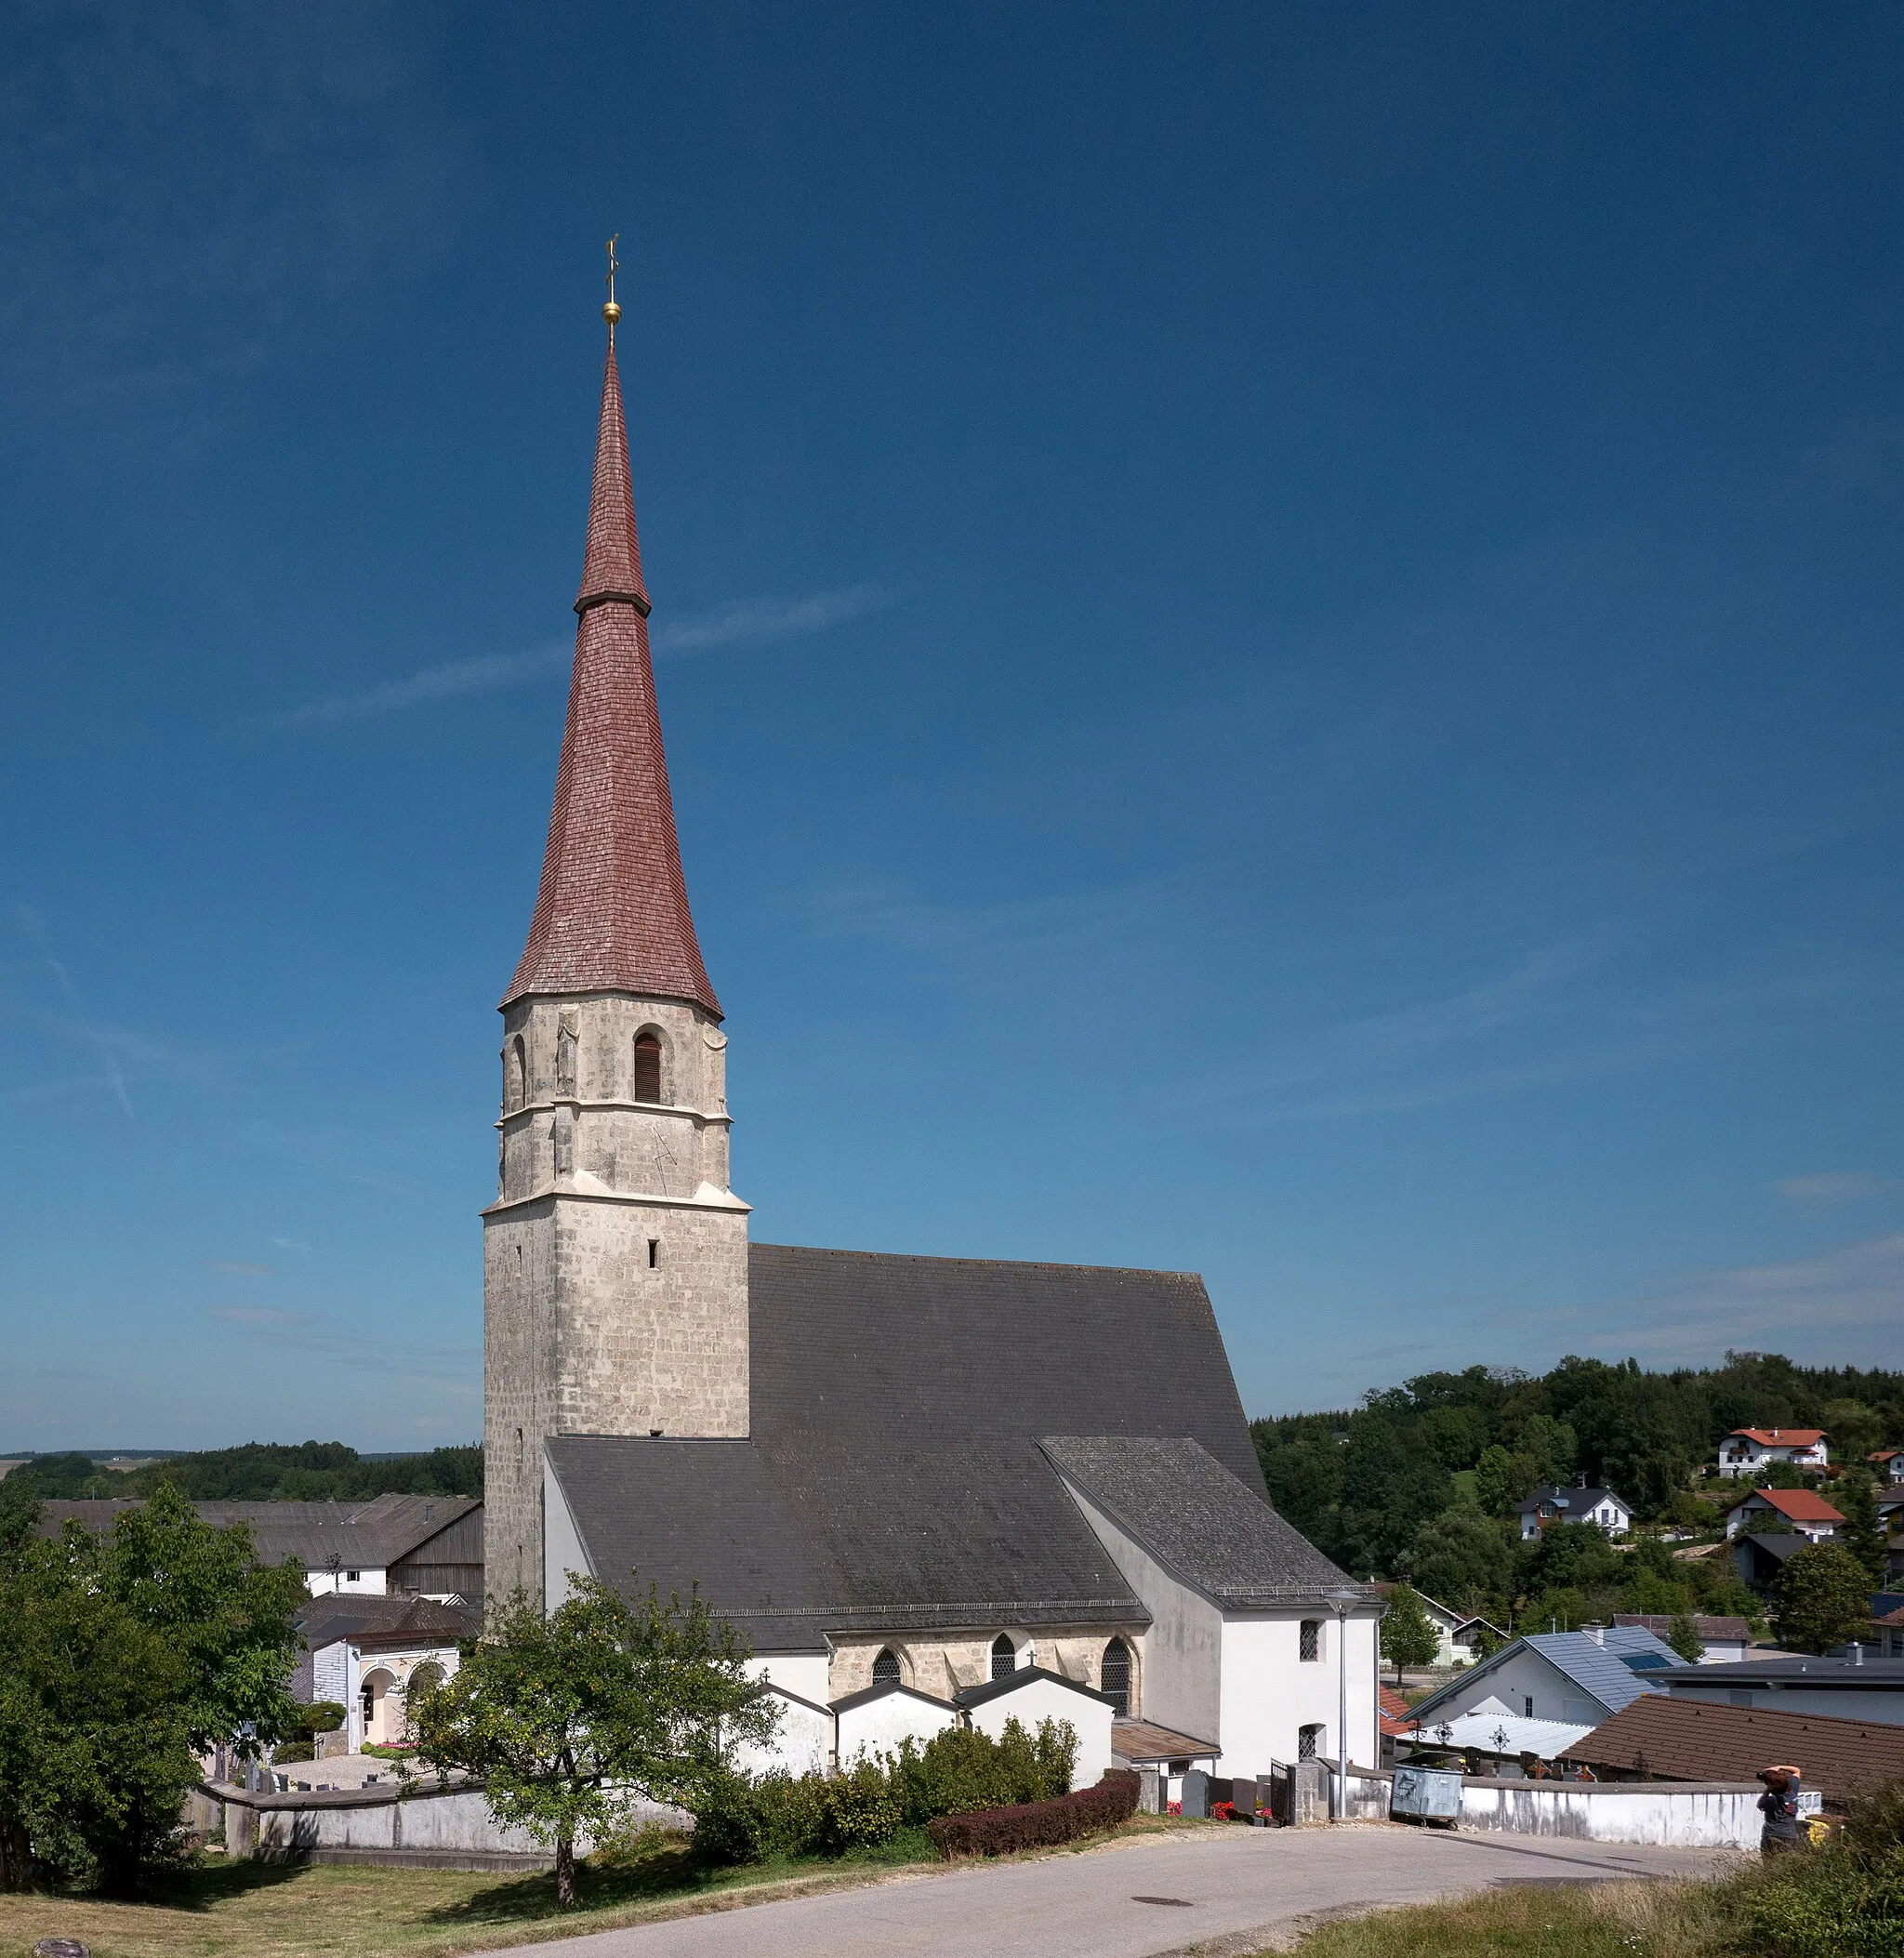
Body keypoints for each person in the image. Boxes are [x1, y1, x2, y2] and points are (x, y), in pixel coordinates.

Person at [1757, 1764, 1804, 1856]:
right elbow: (1796, 1771)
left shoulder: (1772, 1800)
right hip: (1790, 1836)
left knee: (1769, 1865)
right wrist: (1780, 1767)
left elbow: (1760, 1805)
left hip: (1772, 1835)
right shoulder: (1793, 1793)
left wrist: (1767, 1790)